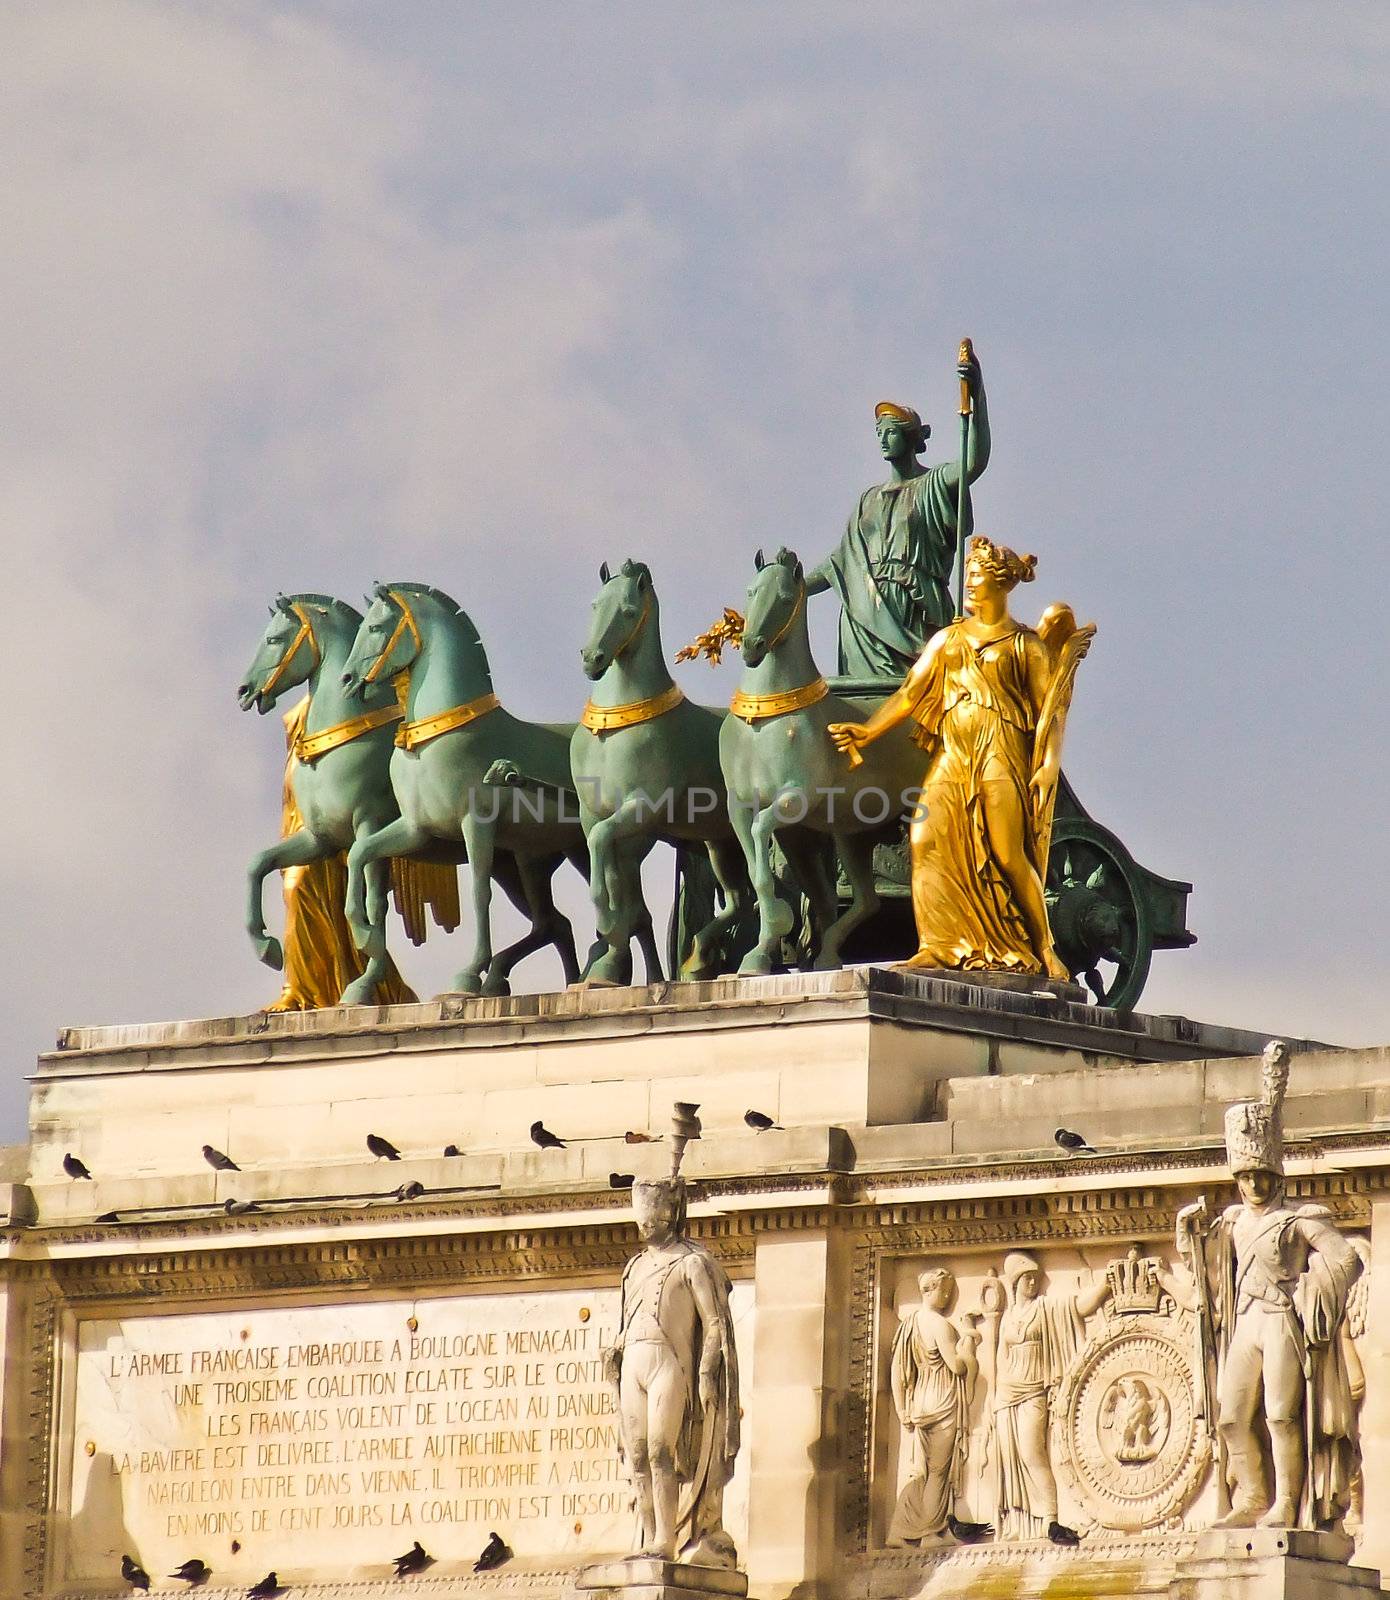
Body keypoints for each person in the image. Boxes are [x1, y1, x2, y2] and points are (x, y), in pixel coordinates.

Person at [829, 537, 1091, 979]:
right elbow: (910, 693)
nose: (969, 585)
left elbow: (1052, 712)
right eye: (968, 576)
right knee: (924, 837)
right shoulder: (949, 639)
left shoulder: (1023, 645)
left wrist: (1047, 764)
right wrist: (868, 731)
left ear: (1001, 584)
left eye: (977, 577)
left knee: (1008, 851)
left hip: (1001, 750)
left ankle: (1043, 947)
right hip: (954, 752)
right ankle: (938, 945)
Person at [1177, 1041, 1363, 1530]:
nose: (1255, 1184)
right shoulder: (1231, 1221)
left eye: (1262, 1174)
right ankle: (1252, 1498)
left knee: (1282, 1414)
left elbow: (1346, 1258)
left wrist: (1315, 1289)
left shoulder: (1297, 1221)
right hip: (1244, 1323)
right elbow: (1207, 1275)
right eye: (1247, 1176)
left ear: (1275, 1173)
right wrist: (1186, 1234)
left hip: (1281, 1319)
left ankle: (1286, 1501)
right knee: (1231, 1416)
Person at [806, 347, 990, 678]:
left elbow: (974, 462)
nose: (883, 439)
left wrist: (977, 396)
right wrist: (793, 586)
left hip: (915, 607)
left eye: (890, 432)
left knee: (920, 694)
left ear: (910, 437)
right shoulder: (869, 499)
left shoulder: (934, 483)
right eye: (879, 433)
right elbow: (840, 561)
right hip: (865, 613)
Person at [605, 1176, 741, 1566]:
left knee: (661, 1450)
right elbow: (626, 1318)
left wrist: (705, 1373)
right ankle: (647, 1534)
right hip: (633, 1360)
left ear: (669, 1218)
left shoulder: (692, 1263)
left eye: (653, 1221)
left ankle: (665, 1539)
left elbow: (713, 1322)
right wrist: (615, 1348)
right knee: (636, 1454)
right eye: (642, 1221)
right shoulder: (633, 1267)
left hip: (671, 1362)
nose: (646, 1227)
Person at [990, 1251, 1111, 1543]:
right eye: (1026, 1279)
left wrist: (1106, 1284)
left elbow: (1079, 1306)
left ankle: (1050, 1519)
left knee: (1033, 1454)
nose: (1031, 1283)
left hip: (1033, 1391)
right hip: (1008, 1394)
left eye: (1035, 1278)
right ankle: (1019, 1522)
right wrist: (992, 1402)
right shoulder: (1007, 1318)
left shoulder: (1045, 1308)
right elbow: (999, 1359)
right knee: (1010, 1458)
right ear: (1014, 1283)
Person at [887, 1267, 980, 1545]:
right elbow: (957, 1365)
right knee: (938, 1472)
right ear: (930, 1290)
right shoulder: (940, 1325)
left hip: (920, 1402)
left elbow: (897, 1371)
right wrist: (969, 1340)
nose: (948, 1296)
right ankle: (929, 1532)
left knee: (921, 1472)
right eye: (945, 1290)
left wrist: (902, 1408)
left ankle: (897, 1532)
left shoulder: (909, 1325)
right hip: (942, 1401)